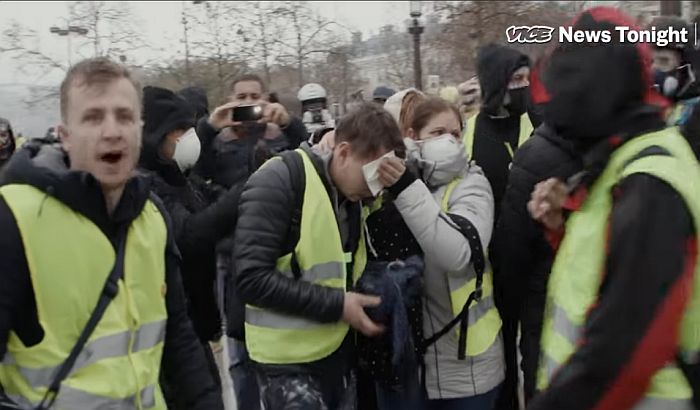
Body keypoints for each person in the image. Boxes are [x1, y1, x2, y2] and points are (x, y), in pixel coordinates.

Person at [0, 57, 222, 409]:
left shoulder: (152, 216)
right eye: (93, 117)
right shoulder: (12, 218)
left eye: (124, 116)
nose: (112, 130)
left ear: (139, 129)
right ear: (65, 136)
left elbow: (179, 338)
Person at [527, 7, 700, 409]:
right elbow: (606, 274)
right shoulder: (623, 160)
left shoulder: (650, 179)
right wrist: (563, 226)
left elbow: (623, 349)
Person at [233, 103, 405, 410]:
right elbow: (250, 278)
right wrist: (338, 305)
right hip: (285, 364)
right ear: (342, 153)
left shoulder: (352, 192)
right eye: (373, 176)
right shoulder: (280, 180)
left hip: (335, 355)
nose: (377, 191)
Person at [365, 96, 502, 410]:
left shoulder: (472, 183)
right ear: (414, 137)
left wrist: (406, 188)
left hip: (465, 366)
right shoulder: (392, 182)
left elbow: (457, 255)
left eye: (456, 133)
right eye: (438, 132)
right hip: (409, 366)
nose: (450, 141)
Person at [138, 86, 244, 399]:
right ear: (156, 135)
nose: (188, 137)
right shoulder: (145, 185)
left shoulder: (180, 178)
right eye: (180, 130)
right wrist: (242, 194)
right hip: (172, 339)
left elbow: (216, 201)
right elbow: (189, 235)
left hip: (195, 329)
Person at [491, 57, 582, 404]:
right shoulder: (540, 157)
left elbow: (512, 254)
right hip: (550, 310)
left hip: (546, 316)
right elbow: (514, 250)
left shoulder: (536, 153)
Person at [464, 44, 542, 218]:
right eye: (518, 78)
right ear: (496, 83)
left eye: (528, 78)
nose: (526, 85)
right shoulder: (466, 131)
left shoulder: (538, 124)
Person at [193, 73, 309, 189]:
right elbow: (196, 173)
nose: (248, 102)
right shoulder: (218, 139)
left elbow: (307, 161)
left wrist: (290, 124)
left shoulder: (280, 135)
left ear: (266, 99)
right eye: (241, 97)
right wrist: (208, 128)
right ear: (230, 100)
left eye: (255, 97)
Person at [648, 16, 700, 127]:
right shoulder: (645, 107)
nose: (654, 68)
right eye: (650, 61)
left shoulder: (694, 115)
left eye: (664, 61)